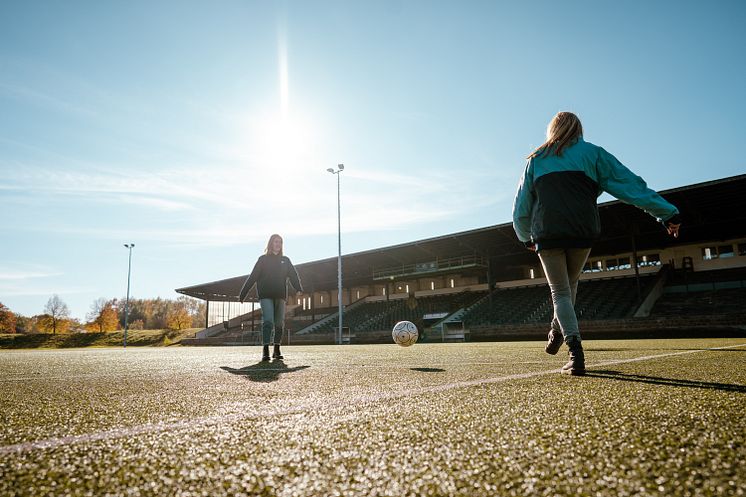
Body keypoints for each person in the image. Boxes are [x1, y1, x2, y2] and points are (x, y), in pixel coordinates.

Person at [512, 112, 681, 376]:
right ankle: (558, 331)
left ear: (552, 129)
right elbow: (629, 184)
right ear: (579, 129)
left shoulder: (537, 159)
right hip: (583, 230)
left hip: (549, 233)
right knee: (570, 287)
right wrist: (667, 213)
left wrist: (525, 237)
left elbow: (521, 206)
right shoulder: (593, 154)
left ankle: (574, 351)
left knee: (560, 292)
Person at [239, 234, 303, 362]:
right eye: (275, 242)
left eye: (280, 242)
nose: (278, 244)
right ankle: (266, 349)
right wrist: (243, 293)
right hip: (265, 295)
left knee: (279, 323)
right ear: (270, 244)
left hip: (280, 295)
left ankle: (277, 348)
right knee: (268, 321)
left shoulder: (286, 260)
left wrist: (298, 288)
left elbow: (293, 275)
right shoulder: (263, 260)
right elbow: (253, 277)